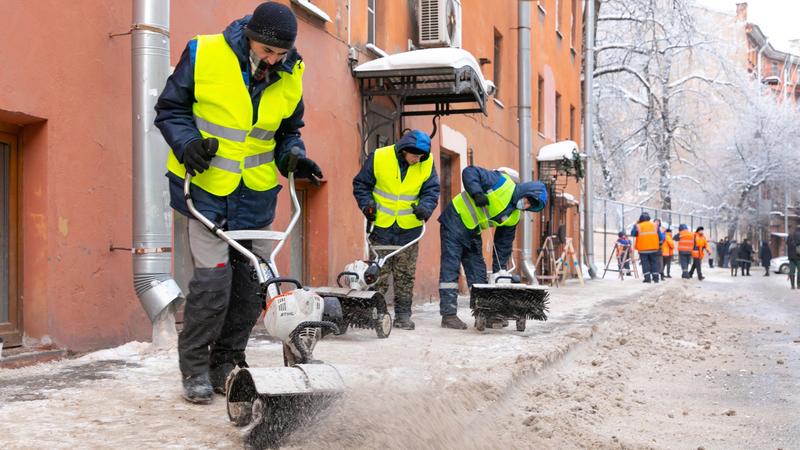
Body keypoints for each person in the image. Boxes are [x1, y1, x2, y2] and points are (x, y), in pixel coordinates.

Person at [154, 2, 324, 404]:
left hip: (256, 195)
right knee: (213, 285)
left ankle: (226, 361)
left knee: (252, 287)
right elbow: (170, 110)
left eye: (281, 54)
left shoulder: (291, 72)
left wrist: (293, 156)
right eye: (267, 52)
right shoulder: (204, 52)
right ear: (251, 36)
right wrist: (187, 144)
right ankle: (194, 368)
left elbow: (288, 130)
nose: (273, 61)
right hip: (207, 189)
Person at [437, 166, 547, 329]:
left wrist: (500, 272)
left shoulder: (514, 216)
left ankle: (484, 314)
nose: (526, 204)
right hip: (455, 220)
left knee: (478, 273)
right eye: (528, 199)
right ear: (525, 191)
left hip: (472, 231)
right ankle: (449, 315)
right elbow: (469, 172)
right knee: (451, 268)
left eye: (530, 205)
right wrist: (477, 193)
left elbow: (503, 246)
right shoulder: (501, 182)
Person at [352, 130, 440, 330]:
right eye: (415, 155)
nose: (418, 160)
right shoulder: (379, 157)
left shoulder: (426, 163)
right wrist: (367, 205)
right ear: (403, 150)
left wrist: (425, 208)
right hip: (381, 225)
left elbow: (431, 190)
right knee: (379, 274)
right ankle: (377, 313)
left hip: (409, 228)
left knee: (405, 275)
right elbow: (361, 184)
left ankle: (403, 315)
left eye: (421, 157)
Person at [631, 212, 664, 283]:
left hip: (643, 249)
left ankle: (647, 278)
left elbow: (633, 234)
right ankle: (656, 278)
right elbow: (661, 237)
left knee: (645, 263)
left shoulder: (638, 226)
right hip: (654, 248)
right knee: (654, 262)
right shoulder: (655, 225)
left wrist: (635, 225)